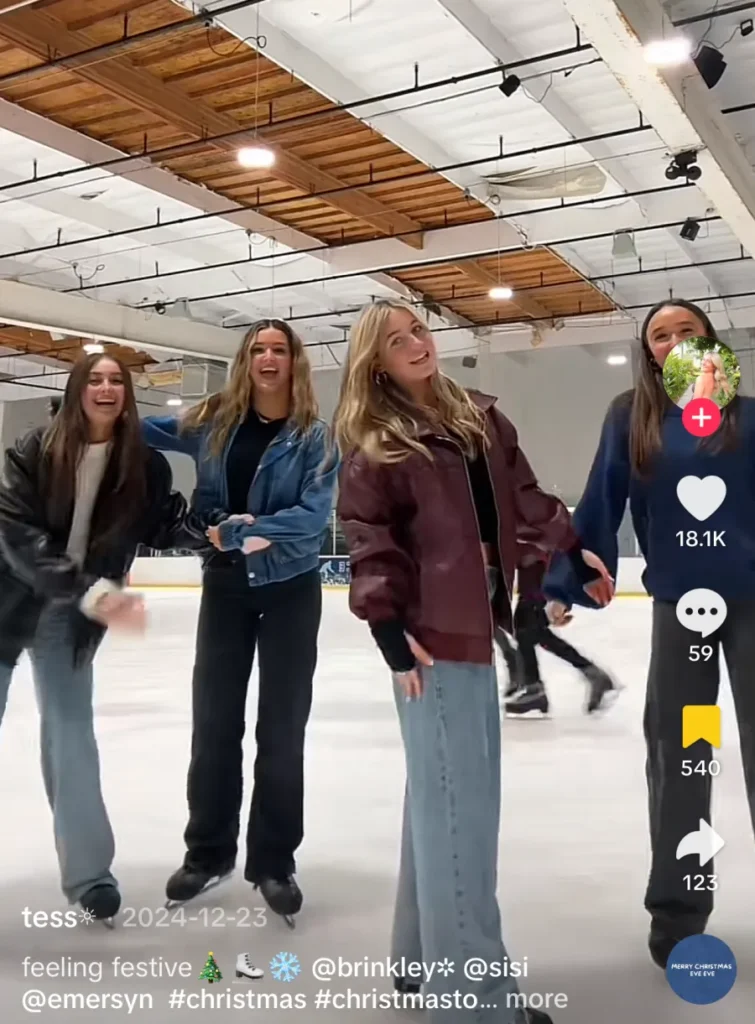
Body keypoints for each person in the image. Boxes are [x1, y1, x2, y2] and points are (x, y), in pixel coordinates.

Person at [334, 298, 613, 1023]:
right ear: (376, 363)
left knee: (437, 797)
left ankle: (420, 960)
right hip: (430, 632)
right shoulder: (377, 441)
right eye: (395, 341)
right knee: (461, 811)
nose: (415, 344)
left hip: (475, 619)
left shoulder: (478, 418)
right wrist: (385, 626)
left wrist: (573, 550)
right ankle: (474, 1004)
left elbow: (525, 499)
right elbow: (368, 536)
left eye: (418, 330)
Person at [543, 297, 755, 969]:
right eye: (660, 335)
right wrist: (569, 579)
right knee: (680, 757)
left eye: (686, 329)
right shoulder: (630, 417)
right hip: (680, 607)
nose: (673, 341)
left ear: (710, 340)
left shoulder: (749, 418)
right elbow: (600, 497)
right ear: (650, 354)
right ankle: (678, 912)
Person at [141, 318, 337, 923]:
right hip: (225, 587)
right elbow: (140, 431)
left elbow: (315, 515)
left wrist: (248, 530)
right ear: (245, 360)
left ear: (295, 361)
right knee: (214, 724)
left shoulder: (315, 436)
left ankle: (274, 861)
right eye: (258, 349)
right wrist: (89, 411)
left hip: (290, 589)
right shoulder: (213, 422)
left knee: (282, 729)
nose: (268, 358)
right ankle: (208, 854)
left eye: (279, 349)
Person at [0, 353, 204, 923]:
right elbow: (15, 533)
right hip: (8, 600)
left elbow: (164, 522)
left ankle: (90, 877)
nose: (106, 388)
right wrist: (89, 591)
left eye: (117, 380)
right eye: (95, 379)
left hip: (72, 614)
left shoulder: (143, 465)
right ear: (76, 390)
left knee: (72, 738)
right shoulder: (34, 449)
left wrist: (213, 530)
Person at [501, 560, 618, 716]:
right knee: (530, 628)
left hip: (540, 569)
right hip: (534, 570)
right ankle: (592, 674)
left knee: (526, 625)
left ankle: (535, 689)